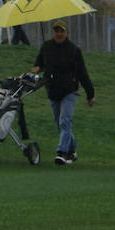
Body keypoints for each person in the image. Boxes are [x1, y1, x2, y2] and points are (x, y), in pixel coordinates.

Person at [32, 20, 96, 165]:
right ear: (53, 32)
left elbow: (82, 73)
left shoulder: (74, 50)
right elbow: (39, 64)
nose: (59, 34)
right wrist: (36, 69)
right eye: (56, 31)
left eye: (62, 31)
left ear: (67, 33)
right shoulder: (46, 46)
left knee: (64, 121)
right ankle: (72, 151)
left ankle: (61, 153)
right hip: (52, 90)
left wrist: (90, 94)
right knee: (59, 124)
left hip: (69, 90)